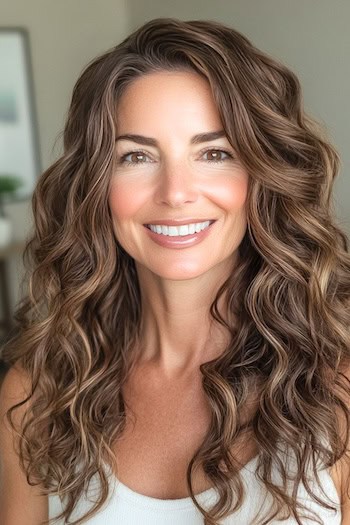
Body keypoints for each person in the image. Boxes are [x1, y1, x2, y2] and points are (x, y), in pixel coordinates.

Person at [0, 16, 349, 525]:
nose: (176, 192)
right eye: (137, 156)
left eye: (214, 152)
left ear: (261, 176)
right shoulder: (38, 394)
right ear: (96, 185)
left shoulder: (335, 388)